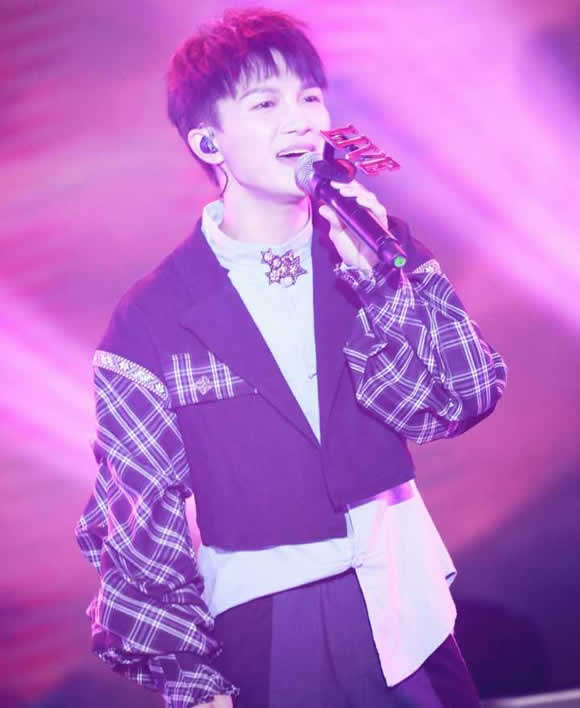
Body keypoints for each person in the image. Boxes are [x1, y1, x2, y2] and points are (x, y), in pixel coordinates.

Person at [76, 8, 507, 708]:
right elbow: (137, 515)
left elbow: (463, 394)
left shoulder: (376, 246)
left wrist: (379, 278)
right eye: (266, 104)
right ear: (208, 141)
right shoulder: (150, 319)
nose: (301, 121)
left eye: (309, 97)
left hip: (407, 606)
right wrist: (191, 681)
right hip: (271, 627)